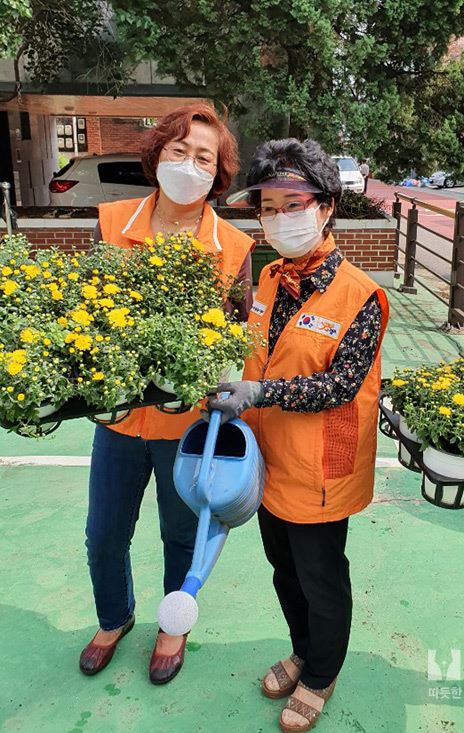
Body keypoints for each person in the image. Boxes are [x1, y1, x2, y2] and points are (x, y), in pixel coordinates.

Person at [209, 138, 389, 732]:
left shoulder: (361, 294)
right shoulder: (268, 281)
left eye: (294, 203)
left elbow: (339, 386)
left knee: (320, 576)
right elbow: (259, 357)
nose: (279, 218)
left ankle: (321, 673)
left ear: (326, 207)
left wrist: (261, 395)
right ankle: (302, 649)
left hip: (319, 468)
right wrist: (232, 383)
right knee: (283, 569)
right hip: (268, 461)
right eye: (267, 207)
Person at [79, 103, 254, 684]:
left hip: (187, 424)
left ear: (217, 174)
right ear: (157, 156)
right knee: (104, 532)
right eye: (177, 151)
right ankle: (113, 618)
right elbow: (85, 310)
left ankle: (172, 624)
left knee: (183, 533)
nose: (188, 163)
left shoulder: (233, 245)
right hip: (119, 418)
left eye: (203, 156)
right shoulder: (111, 223)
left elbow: (239, 331)